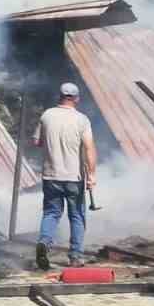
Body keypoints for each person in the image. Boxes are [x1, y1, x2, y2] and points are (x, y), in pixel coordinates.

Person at [32, 82, 97, 270]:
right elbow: (89, 148)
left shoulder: (46, 115)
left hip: (51, 175)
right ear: (76, 98)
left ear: (59, 96)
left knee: (51, 213)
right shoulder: (81, 120)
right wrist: (92, 175)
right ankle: (75, 257)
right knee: (76, 215)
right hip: (74, 177)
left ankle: (44, 242)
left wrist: (52, 143)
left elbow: (36, 141)